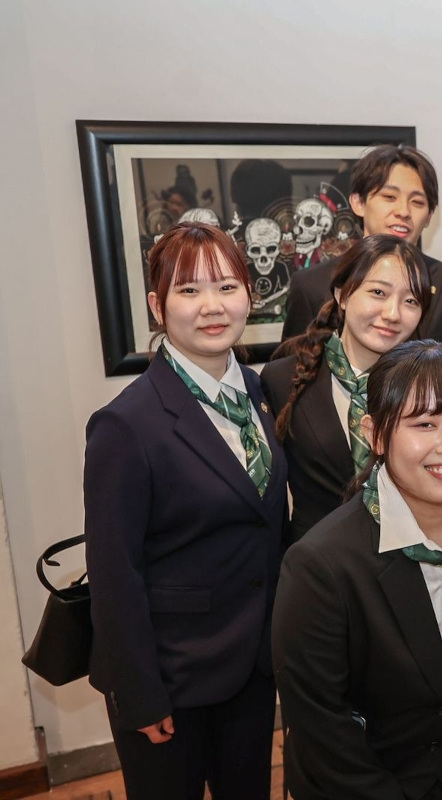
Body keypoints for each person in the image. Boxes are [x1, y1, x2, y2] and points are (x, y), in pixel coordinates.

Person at [84, 222, 288, 800]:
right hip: (170, 678)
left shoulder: (256, 391)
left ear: (250, 294)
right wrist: (139, 694)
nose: (212, 306)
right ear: (157, 305)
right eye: (189, 290)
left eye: (226, 286)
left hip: (251, 665)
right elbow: (114, 573)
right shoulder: (126, 425)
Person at [273, 341, 442, 800]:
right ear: (376, 434)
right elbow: (322, 729)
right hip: (379, 782)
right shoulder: (321, 566)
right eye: (424, 424)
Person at [262, 234, 429, 545]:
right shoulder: (281, 379)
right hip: (314, 566)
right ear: (342, 294)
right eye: (378, 292)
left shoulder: (428, 386)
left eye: (410, 301)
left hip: (409, 558)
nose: (393, 313)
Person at [282, 144, 442, 345]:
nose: (404, 211)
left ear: (429, 216)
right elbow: (294, 366)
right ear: (358, 203)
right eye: (389, 197)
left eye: (417, 202)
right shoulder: (311, 285)